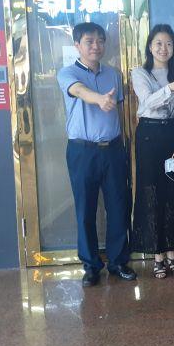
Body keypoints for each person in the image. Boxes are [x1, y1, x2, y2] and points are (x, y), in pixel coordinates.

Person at [57, 22, 136, 287]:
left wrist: (128, 144)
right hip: (82, 151)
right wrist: (99, 99)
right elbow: (78, 90)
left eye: (100, 41)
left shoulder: (113, 74)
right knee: (85, 209)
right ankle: (91, 266)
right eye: (89, 41)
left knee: (118, 207)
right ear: (77, 45)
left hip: (112, 149)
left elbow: (122, 111)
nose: (96, 46)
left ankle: (118, 262)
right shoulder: (67, 73)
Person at [130, 25, 174, 278]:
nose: (163, 48)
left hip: (172, 138)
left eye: (168, 43)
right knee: (151, 193)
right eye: (158, 43)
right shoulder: (140, 73)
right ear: (150, 46)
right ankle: (157, 256)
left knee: (173, 194)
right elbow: (147, 102)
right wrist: (171, 89)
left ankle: (172, 254)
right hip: (148, 136)